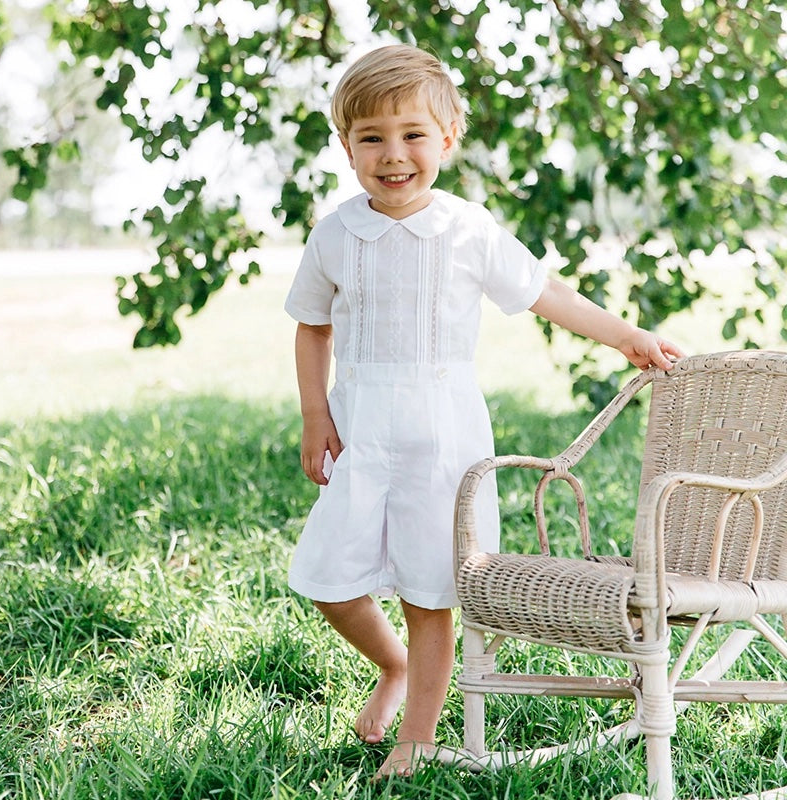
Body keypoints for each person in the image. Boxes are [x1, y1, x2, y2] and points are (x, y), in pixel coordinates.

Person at [283, 43, 684, 780]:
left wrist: (628, 335)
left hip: (443, 439)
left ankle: (418, 735)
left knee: (431, 592)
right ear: (346, 147)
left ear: (447, 138)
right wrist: (316, 414)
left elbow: (545, 293)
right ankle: (393, 666)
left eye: (412, 134)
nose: (393, 154)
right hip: (362, 432)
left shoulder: (467, 229)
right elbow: (313, 325)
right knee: (326, 579)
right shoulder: (336, 234)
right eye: (371, 137)